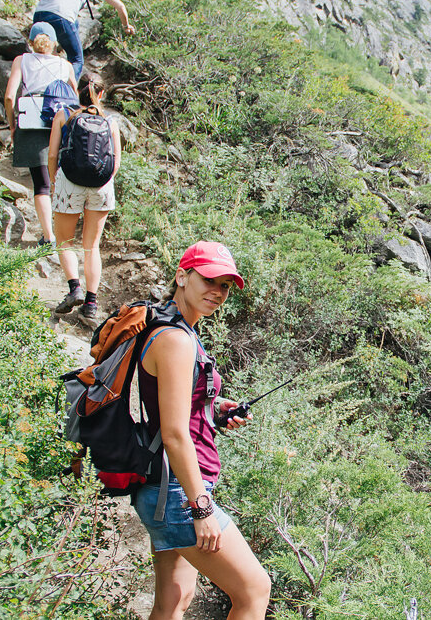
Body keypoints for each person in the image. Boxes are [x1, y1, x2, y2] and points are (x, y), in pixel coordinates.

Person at [135, 241, 272, 619]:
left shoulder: (168, 326)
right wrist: (202, 507)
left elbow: (168, 404)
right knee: (254, 590)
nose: (218, 291)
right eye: (209, 280)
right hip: (178, 492)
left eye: (225, 285)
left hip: (161, 485)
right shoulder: (177, 340)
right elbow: (174, 434)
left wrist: (213, 409)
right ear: (182, 276)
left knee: (174, 600)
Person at [48, 78, 120, 321]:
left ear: (76, 91)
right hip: (101, 184)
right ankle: (90, 303)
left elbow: (52, 155)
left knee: (64, 241)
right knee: (92, 245)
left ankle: (74, 289)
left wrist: (55, 182)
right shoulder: (110, 121)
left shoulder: (64, 115)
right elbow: (115, 163)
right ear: (102, 93)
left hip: (69, 181)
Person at [4, 21, 77, 247]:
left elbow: (9, 97)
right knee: (60, 179)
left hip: (32, 124)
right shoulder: (65, 65)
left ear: (31, 42)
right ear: (54, 43)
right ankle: (65, 233)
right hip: (60, 122)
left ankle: (48, 236)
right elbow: (75, 98)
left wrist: (12, 125)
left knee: (41, 184)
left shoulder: (22, 60)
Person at [32, 0, 135, 81]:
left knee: (47, 55)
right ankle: (67, 90)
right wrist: (126, 26)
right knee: (76, 59)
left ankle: (39, 82)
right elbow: (120, 6)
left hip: (38, 14)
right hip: (60, 16)